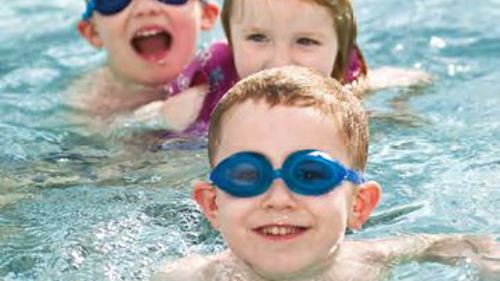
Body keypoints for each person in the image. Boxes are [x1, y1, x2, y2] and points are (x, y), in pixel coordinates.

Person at [151, 66, 499, 281]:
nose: (277, 199)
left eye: (311, 174)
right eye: (246, 175)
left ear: (359, 205)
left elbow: (454, 243)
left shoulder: (368, 262)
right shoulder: (184, 276)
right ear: (212, 205)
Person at [69, 0, 237, 134]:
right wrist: (156, 119)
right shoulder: (89, 107)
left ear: (206, 15)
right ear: (93, 32)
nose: (146, 7)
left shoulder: (231, 69)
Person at [220, 0, 431, 93]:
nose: (280, 63)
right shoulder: (205, 95)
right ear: (231, 41)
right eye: (257, 37)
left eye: (306, 41)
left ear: (339, 53)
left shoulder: (349, 91)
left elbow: (415, 80)